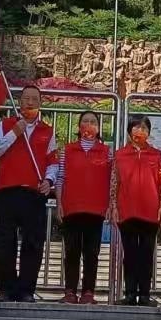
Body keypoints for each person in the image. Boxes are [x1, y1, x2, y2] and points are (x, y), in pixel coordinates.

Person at [0, 84, 57, 302]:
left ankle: (26, 290)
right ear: (19, 102)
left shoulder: (47, 130)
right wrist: (14, 133)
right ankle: (7, 290)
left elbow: (52, 162)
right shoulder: (5, 124)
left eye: (34, 99)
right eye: (26, 98)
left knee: (33, 242)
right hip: (8, 191)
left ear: (40, 103)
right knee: (5, 241)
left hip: (34, 193)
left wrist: (49, 180)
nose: (30, 103)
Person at [56, 110, 110, 304]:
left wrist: (110, 204)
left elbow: (112, 180)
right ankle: (70, 290)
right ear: (79, 127)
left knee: (91, 253)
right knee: (71, 251)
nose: (88, 124)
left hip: (96, 210)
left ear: (98, 127)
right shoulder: (67, 150)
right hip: (71, 208)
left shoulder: (107, 152)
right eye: (85, 121)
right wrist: (58, 204)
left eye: (92, 121)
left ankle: (88, 292)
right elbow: (60, 177)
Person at [111, 113, 161, 306]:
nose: (140, 131)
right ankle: (130, 293)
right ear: (129, 131)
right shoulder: (120, 154)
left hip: (150, 211)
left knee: (147, 254)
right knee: (130, 254)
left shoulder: (156, 155)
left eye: (144, 128)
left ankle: (145, 295)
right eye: (136, 127)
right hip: (127, 210)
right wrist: (114, 206)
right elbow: (114, 182)